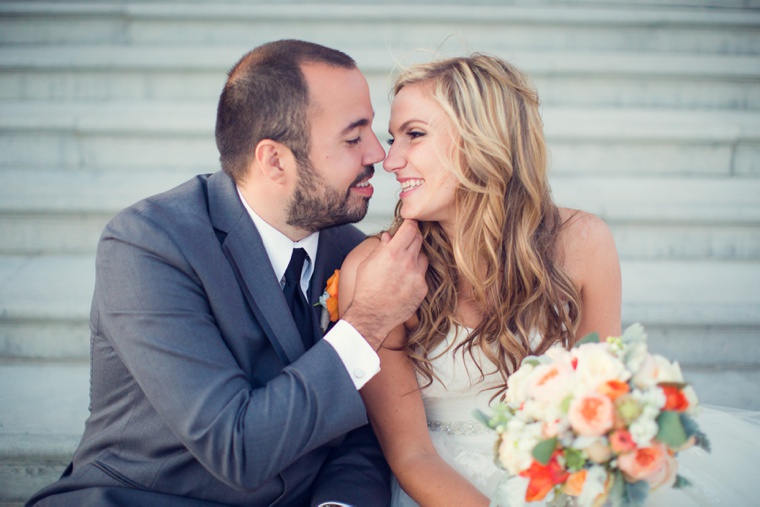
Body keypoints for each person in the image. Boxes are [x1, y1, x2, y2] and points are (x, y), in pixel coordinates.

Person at [339, 53, 760, 507]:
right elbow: (411, 455)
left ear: (484, 139)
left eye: (414, 135)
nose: (390, 159)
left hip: (566, 476)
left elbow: (600, 411)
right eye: (392, 137)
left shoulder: (583, 243)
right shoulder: (373, 270)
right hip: (440, 484)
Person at [26, 39, 428, 507]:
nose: (379, 153)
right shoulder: (149, 245)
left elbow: (363, 425)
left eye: (373, 131)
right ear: (274, 160)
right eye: (353, 137)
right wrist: (370, 320)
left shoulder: (353, 251)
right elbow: (236, 447)